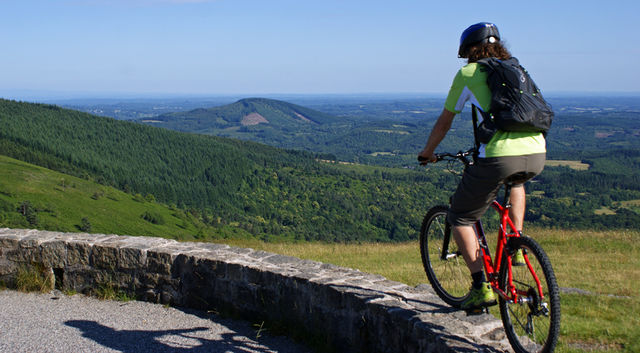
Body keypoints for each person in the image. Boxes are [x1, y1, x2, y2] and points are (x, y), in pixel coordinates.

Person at [417, 22, 547, 310]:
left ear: (469, 51)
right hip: (537, 151)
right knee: (516, 184)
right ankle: (516, 247)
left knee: (460, 217)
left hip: (499, 156)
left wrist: (428, 152)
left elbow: (445, 120)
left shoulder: (469, 73)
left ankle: (481, 286)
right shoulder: (517, 70)